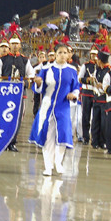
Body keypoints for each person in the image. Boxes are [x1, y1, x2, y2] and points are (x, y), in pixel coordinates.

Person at [29, 43, 80, 176]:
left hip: (63, 107)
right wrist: (38, 83)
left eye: (65, 52)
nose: (63, 55)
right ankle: (48, 166)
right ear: (55, 54)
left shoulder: (72, 70)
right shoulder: (47, 68)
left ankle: (58, 162)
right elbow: (38, 87)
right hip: (47, 106)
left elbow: (76, 87)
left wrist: (73, 95)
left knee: (63, 134)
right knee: (47, 136)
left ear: (69, 55)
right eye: (60, 53)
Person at [0, 31, 35, 152]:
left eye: (17, 44)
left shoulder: (25, 60)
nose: (15, 46)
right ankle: (3, 141)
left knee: (16, 118)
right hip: (5, 93)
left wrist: (26, 83)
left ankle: (12, 142)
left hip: (19, 94)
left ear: (20, 45)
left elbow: (31, 75)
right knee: (3, 117)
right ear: (9, 45)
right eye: (13, 44)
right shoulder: (2, 59)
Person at [91, 48, 111, 150]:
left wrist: (102, 86)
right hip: (96, 99)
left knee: (104, 123)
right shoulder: (97, 70)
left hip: (104, 100)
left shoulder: (109, 71)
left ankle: (102, 141)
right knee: (95, 121)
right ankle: (94, 141)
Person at [77, 45, 99, 146]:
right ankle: (86, 137)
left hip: (96, 93)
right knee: (85, 115)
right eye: (92, 54)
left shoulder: (99, 66)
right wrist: (88, 80)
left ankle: (95, 137)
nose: (93, 56)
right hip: (86, 92)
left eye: (95, 54)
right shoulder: (85, 66)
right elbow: (80, 78)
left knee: (96, 117)